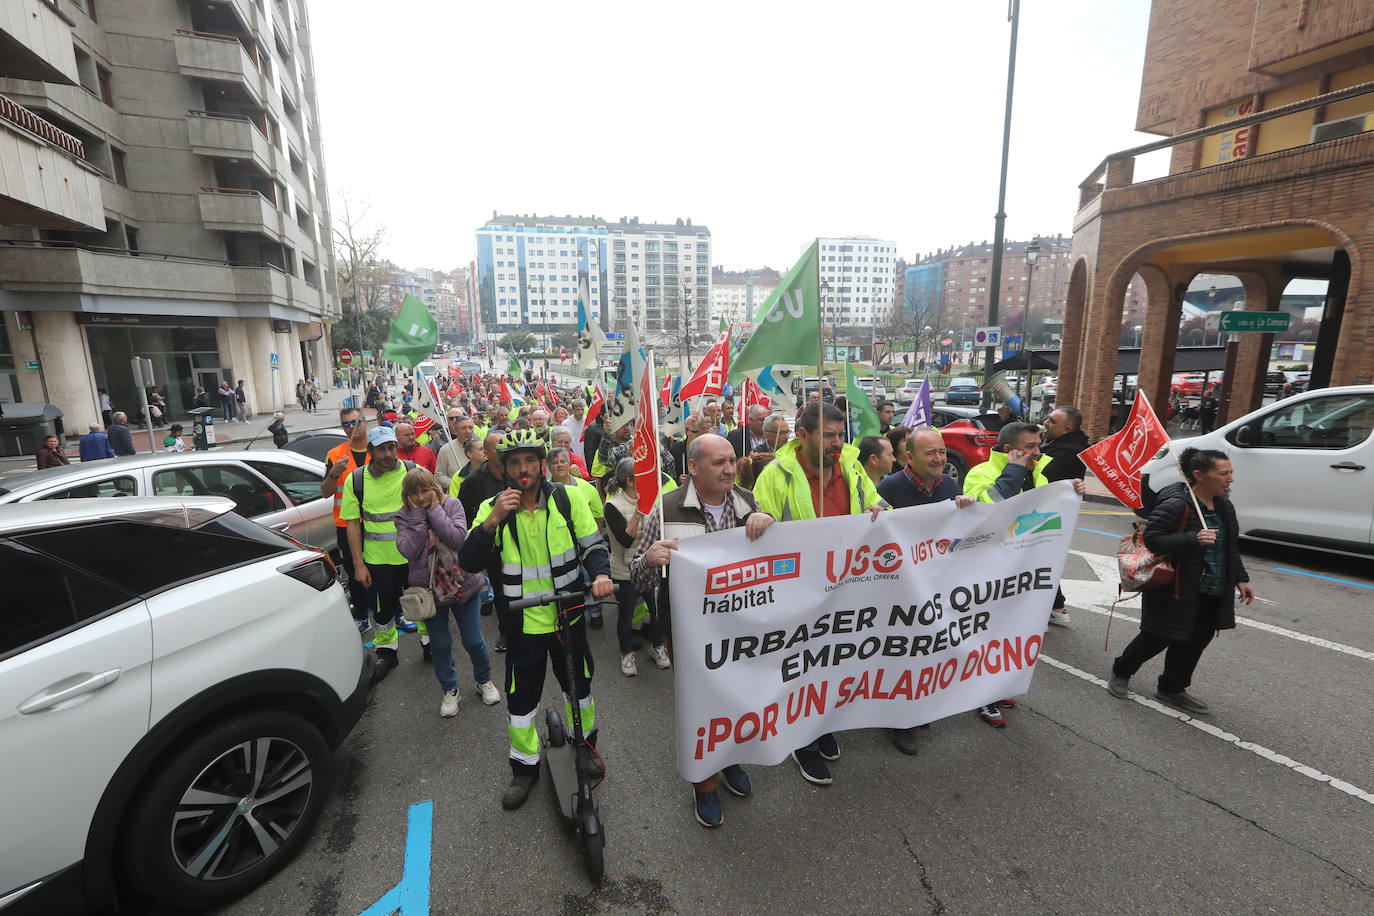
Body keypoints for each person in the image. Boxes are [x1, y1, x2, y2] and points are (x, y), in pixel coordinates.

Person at [456, 428, 614, 811]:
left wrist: (602, 575)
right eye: (514, 462)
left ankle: (586, 746)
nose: (523, 469)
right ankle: (525, 768)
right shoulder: (491, 508)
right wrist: (492, 519)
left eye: (530, 460)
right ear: (504, 468)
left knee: (581, 688)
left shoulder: (567, 498)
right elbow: (468, 562)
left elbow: (592, 545)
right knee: (521, 700)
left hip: (568, 615)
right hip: (522, 624)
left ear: (542, 463)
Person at [632, 432, 774, 827]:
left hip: (739, 627)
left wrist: (768, 524)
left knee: (737, 698)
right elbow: (638, 579)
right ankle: (705, 785)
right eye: (718, 462)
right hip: (688, 632)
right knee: (702, 706)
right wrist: (650, 560)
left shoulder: (747, 502)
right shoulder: (666, 509)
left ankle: (730, 762)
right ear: (693, 468)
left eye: (731, 460)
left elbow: (771, 564)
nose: (729, 468)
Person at [753, 401, 886, 786]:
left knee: (835, 663)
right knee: (803, 668)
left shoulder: (852, 467)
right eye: (828, 435)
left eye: (840, 434)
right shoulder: (775, 475)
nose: (837, 442)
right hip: (797, 595)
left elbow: (876, 506)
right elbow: (757, 533)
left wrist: (879, 511)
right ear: (802, 436)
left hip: (846, 589)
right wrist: (758, 520)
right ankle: (803, 741)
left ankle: (822, 724)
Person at [1108, 449, 1254, 714]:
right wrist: (1192, 538)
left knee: (1196, 640)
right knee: (1157, 635)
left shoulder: (1223, 505)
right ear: (1199, 475)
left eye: (1231, 472)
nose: (1230, 479)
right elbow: (1153, 539)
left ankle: (1172, 687)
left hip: (1212, 587)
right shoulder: (1177, 504)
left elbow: (1228, 547)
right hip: (1176, 587)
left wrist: (1241, 579)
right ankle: (1121, 671)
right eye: (1224, 473)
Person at [963, 421, 1087, 727]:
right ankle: (982, 698)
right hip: (991, 572)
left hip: (1025, 571)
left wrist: (1072, 492)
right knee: (988, 636)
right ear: (1010, 450)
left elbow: (1048, 514)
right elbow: (990, 511)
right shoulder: (980, 473)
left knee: (1012, 636)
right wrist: (1014, 471)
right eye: (1030, 446)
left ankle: (999, 687)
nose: (1037, 451)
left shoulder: (1041, 472)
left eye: (1038, 445)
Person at [877, 427, 976, 753]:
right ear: (909, 457)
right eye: (930, 453)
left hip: (936, 588)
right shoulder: (888, 488)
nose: (939, 459)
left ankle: (918, 704)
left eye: (942, 452)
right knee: (899, 653)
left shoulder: (949, 485)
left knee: (926, 649)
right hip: (897, 590)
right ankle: (897, 719)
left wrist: (967, 505)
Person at [395, 468, 501, 717]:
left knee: (473, 640)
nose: (421, 497)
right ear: (406, 495)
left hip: (463, 582)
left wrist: (433, 510)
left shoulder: (452, 504)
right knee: (440, 645)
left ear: (434, 486)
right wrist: (419, 518)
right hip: (430, 591)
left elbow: (457, 538)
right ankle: (450, 690)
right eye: (414, 493)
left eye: (425, 490)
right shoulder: (403, 516)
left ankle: (483, 680)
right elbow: (408, 551)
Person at [340, 425, 415, 681]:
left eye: (392, 447)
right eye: (382, 448)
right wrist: (358, 564)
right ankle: (387, 652)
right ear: (370, 450)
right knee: (382, 610)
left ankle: (430, 646)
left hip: (414, 558)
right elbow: (351, 524)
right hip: (378, 560)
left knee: (422, 605)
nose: (389, 453)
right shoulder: (356, 480)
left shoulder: (412, 471)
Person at [602, 458, 670, 677]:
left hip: (649, 568)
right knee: (627, 614)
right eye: (643, 476)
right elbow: (625, 539)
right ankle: (626, 654)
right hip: (624, 570)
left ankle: (657, 646)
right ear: (630, 481)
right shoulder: (612, 505)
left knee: (656, 610)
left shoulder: (653, 500)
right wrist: (640, 511)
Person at [323, 407, 374, 632]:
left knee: (383, 569)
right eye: (346, 424)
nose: (352, 427)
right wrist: (334, 472)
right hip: (347, 526)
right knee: (354, 573)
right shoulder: (336, 455)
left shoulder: (379, 449)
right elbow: (325, 492)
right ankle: (362, 615)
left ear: (365, 422)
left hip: (377, 523)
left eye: (356, 421)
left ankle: (395, 611)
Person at [1039, 405, 1089, 627]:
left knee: (1043, 558)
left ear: (1068, 428)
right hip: (1044, 511)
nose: (1045, 423)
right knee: (1041, 558)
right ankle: (1055, 607)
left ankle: (1056, 608)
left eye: (1051, 421)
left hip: (1051, 514)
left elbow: (1041, 472)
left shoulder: (1071, 452)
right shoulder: (1054, 441)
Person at [434, 410, 475, 490]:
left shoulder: (481, 446)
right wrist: (455, 484)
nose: (467, 431)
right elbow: (439, 475)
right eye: (463, 428)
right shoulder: (445, 449)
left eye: (470, 428)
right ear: (456, 431)